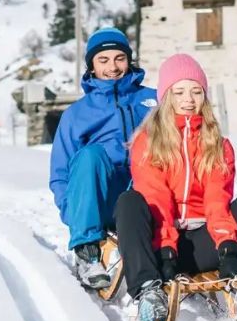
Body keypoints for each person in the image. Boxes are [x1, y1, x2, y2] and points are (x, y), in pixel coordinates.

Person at [115, 53, 237, 321]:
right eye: (179, 91)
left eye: (196, 91)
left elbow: (217, 200)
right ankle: (148, 293)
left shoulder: (217, 144)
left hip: (205, 243)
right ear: (166, 96)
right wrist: (166, 252)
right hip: (163, 248)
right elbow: (155, 199)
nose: (188, 99)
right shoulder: (147, 143)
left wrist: (228, 250)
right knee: (129, 202)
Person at [49, 28, 158, 289]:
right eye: (103, 60)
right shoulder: (77, 114)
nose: (113, 67)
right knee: (90, 155)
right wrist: (75, 212)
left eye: (119, 58)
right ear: (92, 65)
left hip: (147, 196)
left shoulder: (154, 99)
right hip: (101, 201)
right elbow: (61, 174)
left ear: (128, 60)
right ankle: (87, 252)